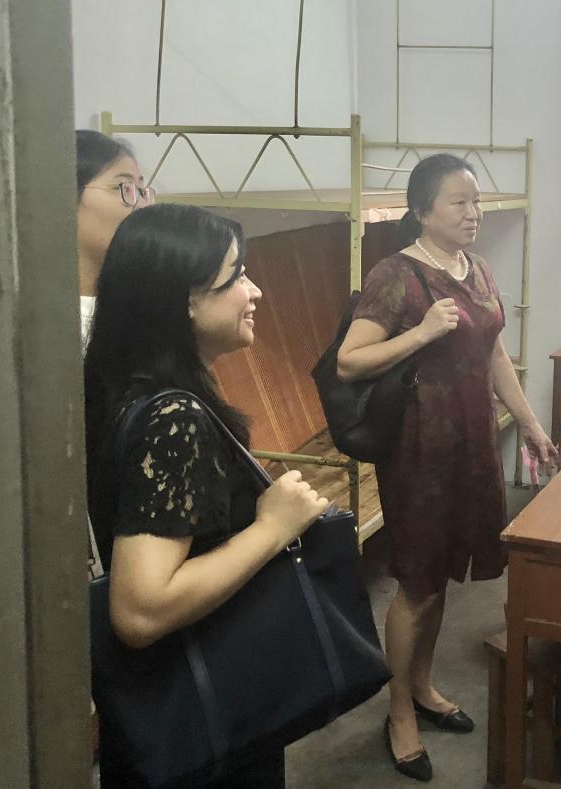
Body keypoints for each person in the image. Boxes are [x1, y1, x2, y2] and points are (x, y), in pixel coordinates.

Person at [85, 203, 328, 787]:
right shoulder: (173, 418)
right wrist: (273, 527)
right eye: (236, 276)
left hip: (168, 713)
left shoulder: (122, 385)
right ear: (185, 302)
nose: (255, 290)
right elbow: (140, 610)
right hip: (199, 718)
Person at [337, 153, 557, 782]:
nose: (473, 213)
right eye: (459, 202)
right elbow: (350, 361)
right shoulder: (396, 275)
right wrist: (421, 332)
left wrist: (531, 424)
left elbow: (494, 357)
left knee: (442, 579)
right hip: (419, 453)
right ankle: (399, 711)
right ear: (422, 210)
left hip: (472, 447)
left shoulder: (477, 269)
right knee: (416, 582)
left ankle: (424, 685)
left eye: (476, 201)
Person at [76, 129, 152, 348]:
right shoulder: (36, 316)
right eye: (124, 188)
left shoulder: (147, 301)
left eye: (141, 190)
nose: (141, 205)